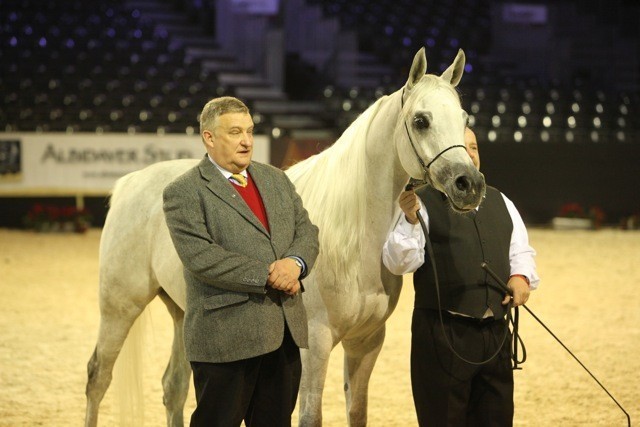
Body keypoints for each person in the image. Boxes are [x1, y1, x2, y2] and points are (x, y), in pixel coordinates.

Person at [162, 96, 319, 426]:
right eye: (235, 132)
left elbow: (306, 231)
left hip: (284, 334)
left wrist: (295, 263)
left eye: (249, 131)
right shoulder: (184, 191)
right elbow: (201, 257)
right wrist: (269, 274)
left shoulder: (276, 179)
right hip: (225, 339)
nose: (246, 141)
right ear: (209, 137)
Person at [382, 127, 539, 426]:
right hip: (443, 334)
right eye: (461, 146)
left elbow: (520, 250)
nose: (469, 154)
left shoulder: (502, 201)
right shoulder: (419, 203)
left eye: (474, 147)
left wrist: (520, 277)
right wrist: (410, 219)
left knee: (497, 418)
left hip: (495, 335)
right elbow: (398, 263)